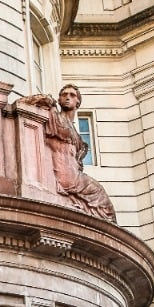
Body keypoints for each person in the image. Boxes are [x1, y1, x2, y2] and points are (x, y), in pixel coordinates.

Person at [19, 84, 116, 222]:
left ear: (78, 102)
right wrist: (45, 99)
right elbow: (22, 103)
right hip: (66, 177)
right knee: (103, 201)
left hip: (74, 174)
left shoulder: (74, 132)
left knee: (106, 207)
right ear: (59, 100)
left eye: (72, 95)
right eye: (64, 95)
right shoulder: (54, 116)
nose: (67, 97)